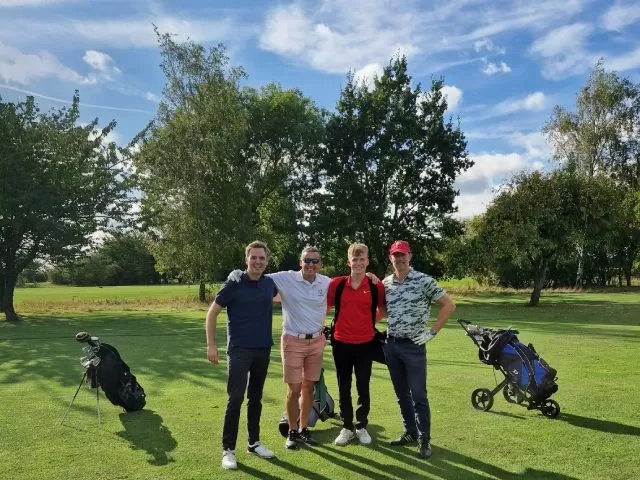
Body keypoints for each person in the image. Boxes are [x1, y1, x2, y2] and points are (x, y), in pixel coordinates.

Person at [228, 246, 330, 449]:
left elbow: (349, 282)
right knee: (294, 389)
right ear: (300, 262)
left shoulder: (326, 282)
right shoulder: (285, 277)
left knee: (309, 387)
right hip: (293, 340)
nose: (310, 264)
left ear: (320, 264)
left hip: (317, 341)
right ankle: (292, 431)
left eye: (315, 261)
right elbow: (256, 272)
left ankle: (303, 429)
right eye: (306, 260)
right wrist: (236, 273)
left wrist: (370, 276)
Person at [205, 241, 278, 470]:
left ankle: (254, 442)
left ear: (267, 261)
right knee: (235, 399)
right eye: (253, 257)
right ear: (246, 259)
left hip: (263, 348)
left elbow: (294, 288)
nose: (257, 262)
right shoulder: (233, 283)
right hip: (238, 350)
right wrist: (211, 345)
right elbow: (212, 313)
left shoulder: (269, 284)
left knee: (255, 398)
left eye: (261, 258)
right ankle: (228, 450)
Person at [383, 240, 456, 459]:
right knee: (401, 394)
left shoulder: (423, 280)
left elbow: (449, 305)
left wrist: (432, 332)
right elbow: (383, 310)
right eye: (396, 255)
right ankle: (410, 433)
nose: (400, 259)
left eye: (403, 254)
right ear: (391, 258)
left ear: (410, 256)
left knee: (418, 395)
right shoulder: (386, 283)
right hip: (392, 344)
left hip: (414, 347)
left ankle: (424, 439)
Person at [326, 243, 386, 446]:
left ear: (367, 261)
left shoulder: (375, 285)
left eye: (362, 260)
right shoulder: (337, 284)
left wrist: (366, 322)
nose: (358, 263)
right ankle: (346, 427)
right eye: (355, 259)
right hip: (341, 343)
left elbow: (382, 310)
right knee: (344, 386)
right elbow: (324, 307)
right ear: (348, 261)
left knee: (363, 385)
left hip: (365, 343)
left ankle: (361, 426)